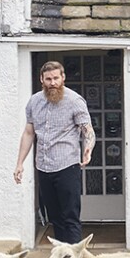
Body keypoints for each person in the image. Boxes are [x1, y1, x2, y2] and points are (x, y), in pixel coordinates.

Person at [14, 61, 94, 244]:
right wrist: (19, 163)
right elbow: (28, 133)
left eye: (56, 78)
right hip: (44, 167)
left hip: (67, 165)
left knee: (70, 216)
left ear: (63, 78)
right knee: (54, 218)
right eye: (48, 79)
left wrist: (88, 149)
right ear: (42, 79)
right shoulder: (34, 101)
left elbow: (87, 130)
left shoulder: (75, 101)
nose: (52, 83)